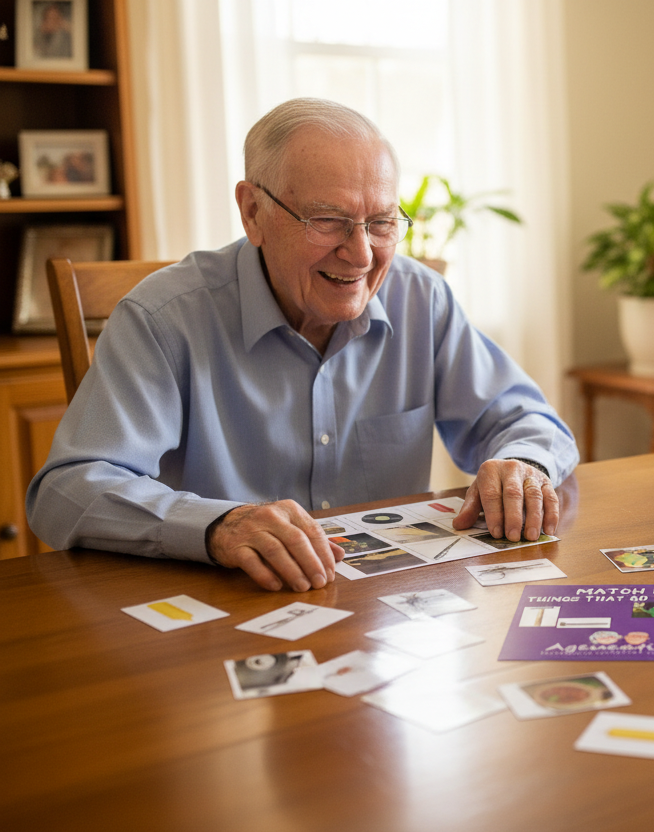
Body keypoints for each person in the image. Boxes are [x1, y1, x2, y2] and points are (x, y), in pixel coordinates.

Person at [27, 98, 579, 592]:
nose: (361, 255)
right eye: (329, 221)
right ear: (252, 213)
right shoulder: (164, 318)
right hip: (223, 614)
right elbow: (66, 490)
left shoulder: (422, 298)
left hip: (380, 615)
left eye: (381, 222)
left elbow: (529, 421)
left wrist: (520, 463)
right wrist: (218, 526)